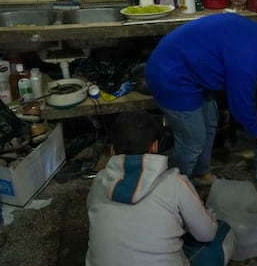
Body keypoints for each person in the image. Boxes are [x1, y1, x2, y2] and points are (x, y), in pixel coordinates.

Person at [145, 13, 257, 186]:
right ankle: (175, 189)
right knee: (192, 140)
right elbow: (240, 101)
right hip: (171, 75)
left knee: (210, 123)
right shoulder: (250, 54)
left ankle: (199, 173)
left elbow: (251, 85)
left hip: (190, 71)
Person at [86, 111, 234, 266]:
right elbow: (207, 234)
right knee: (223, 233)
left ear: (112, 151)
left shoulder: (99, 180)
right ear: (155, 146)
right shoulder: (174, 182)